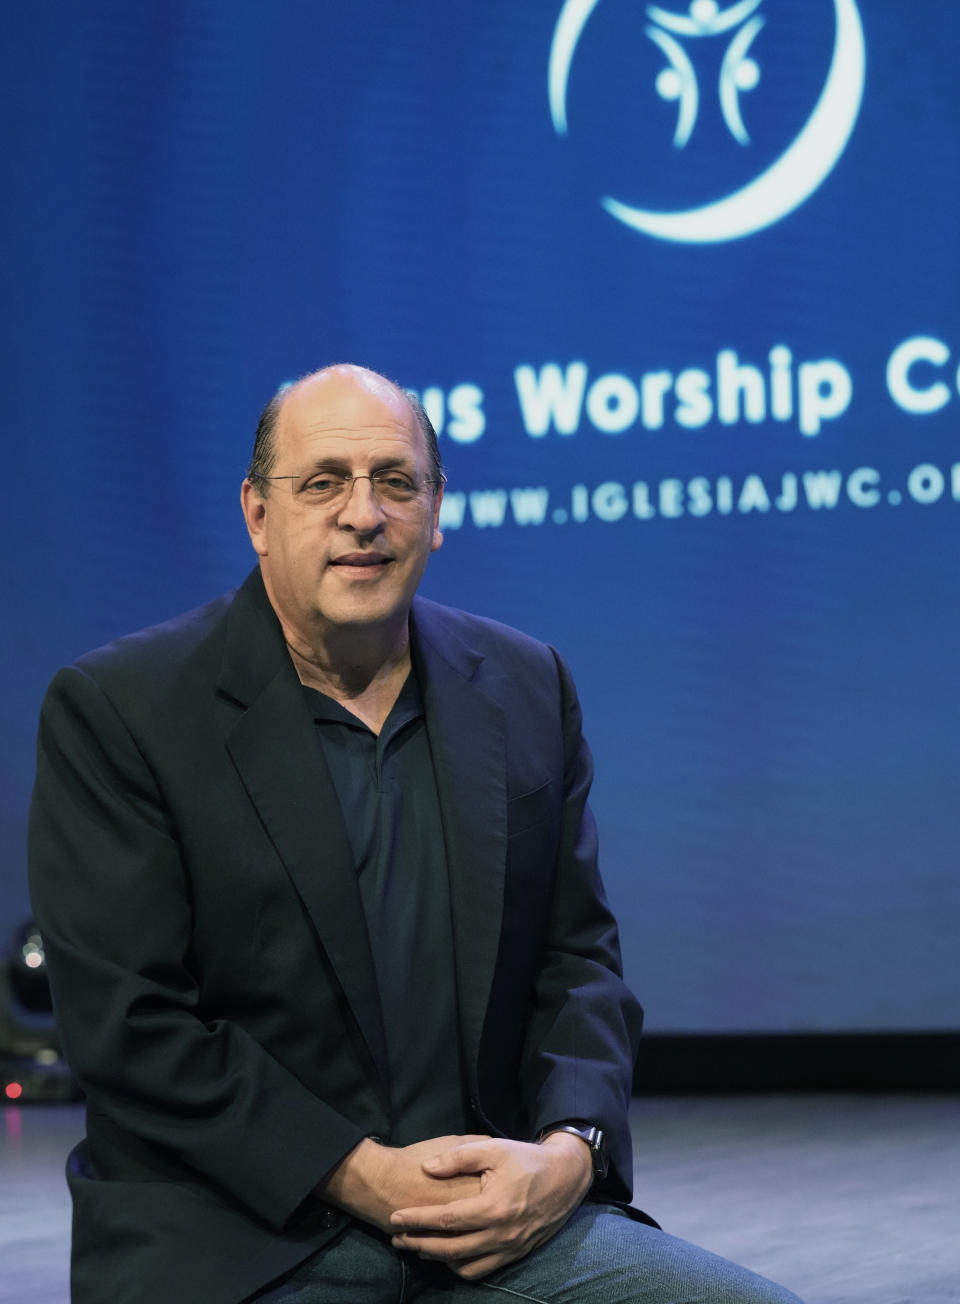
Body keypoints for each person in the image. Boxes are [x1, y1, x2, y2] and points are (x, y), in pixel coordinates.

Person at [29, 365, 802, 1304]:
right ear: (257, 515)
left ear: (435, 512)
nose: (365, 514)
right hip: (244, 1237)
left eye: (397, 482)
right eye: (323, 482)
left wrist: (569, 1154)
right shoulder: (124, 709)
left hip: (495, 1228)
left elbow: (577, 962)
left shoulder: (524, 685)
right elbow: (131, 1023)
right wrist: (363, 1173)